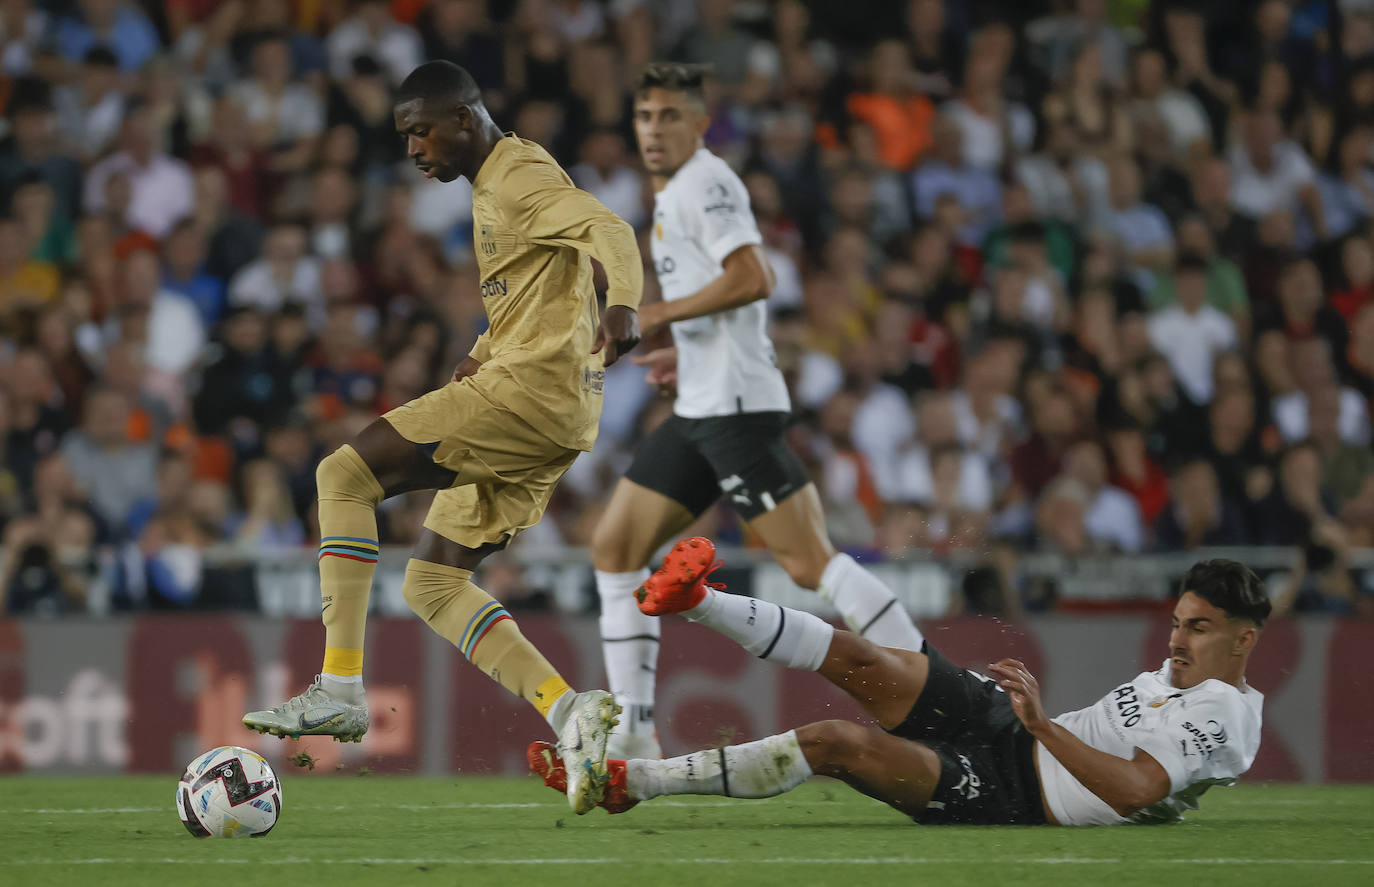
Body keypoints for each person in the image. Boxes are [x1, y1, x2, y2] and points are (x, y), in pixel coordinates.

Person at [242, 61, 643, 814]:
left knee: (343, 475)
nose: (414, 150)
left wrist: (624, 304)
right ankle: (569, 711)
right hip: (555, 406)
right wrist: (484, 347)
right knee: (431, 583)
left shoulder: (516, 175)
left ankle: (339, 687)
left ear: (464, 117)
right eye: (404, 137)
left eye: (421, 130)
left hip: (530, 393)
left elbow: (609, 228)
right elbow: (539, 287)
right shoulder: (501, 183)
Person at [590, 63, 922, 759]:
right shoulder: (677, 192)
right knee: (615, 548)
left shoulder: (706, 183)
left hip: (735, 408)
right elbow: (725, 298)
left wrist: (656, 314)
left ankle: (935, 681)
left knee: (809, 563)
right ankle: (634, 731)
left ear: (700, 123)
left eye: (670, 116)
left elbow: (754, 276)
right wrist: (686, 346)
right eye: (645, 116)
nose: (654, 129)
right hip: (704, 402)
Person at [533, 537, 1266, 826]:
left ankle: (634, 781)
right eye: (1177, 621)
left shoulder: (1223, 715)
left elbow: (1139, 789)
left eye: (1197, 627)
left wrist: (1043, 726)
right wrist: (1032, 723)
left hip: (1023, 793)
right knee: (871, 659)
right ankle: (695, 600)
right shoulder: (1182, 679)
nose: (1176, 638)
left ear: (1244, 639)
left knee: (835, 742)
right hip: (1011, 728)